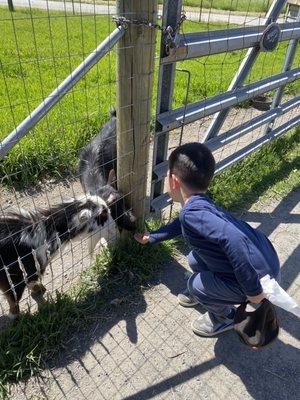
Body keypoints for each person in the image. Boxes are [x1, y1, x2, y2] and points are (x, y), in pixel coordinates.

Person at [134, 142, 280, 337]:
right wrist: (152, 237)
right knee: (195, 258)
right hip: (266, 264)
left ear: (174, 180)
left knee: (195, 285)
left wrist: (253, 292)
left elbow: (234, 240)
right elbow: (181, 225)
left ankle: (224, 317)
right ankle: (215, 293)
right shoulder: (199, 204)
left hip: (259, 282)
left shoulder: (192, 213)